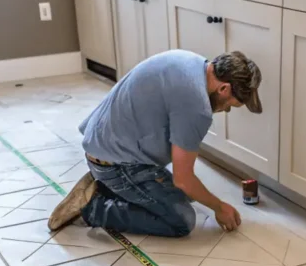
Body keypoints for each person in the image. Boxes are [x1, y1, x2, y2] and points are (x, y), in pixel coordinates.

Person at [47, 49, 262, 236]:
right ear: (224, 89)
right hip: (114, 162)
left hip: (102, 143)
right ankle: (94, 207)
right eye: (230, 106)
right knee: (182, 220)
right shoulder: (197, 107)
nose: (225, 110)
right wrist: (219, 207)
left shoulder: (190, 61)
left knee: (187, 196)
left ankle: (106, 184)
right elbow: (183, 179)